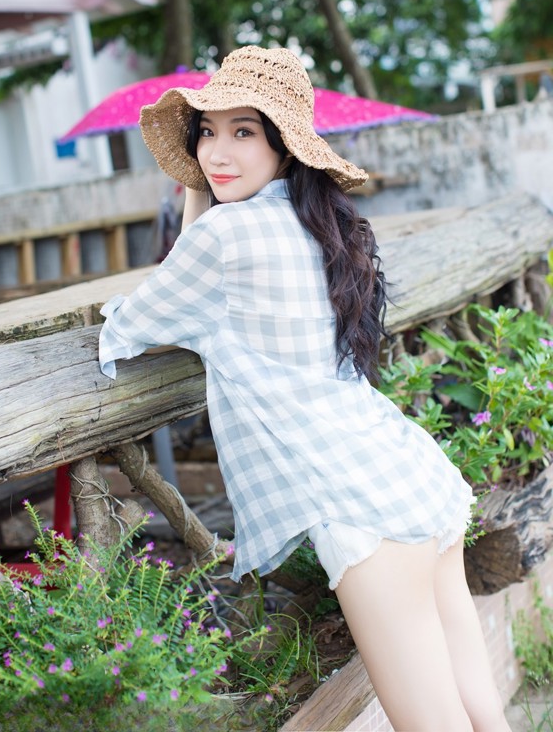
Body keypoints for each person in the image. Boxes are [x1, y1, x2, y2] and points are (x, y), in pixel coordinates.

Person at [98, 46, 510, 732]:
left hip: (360, 511)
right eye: (206, 132)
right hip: (412, 475)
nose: (217, 152)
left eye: (244, 131)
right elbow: (193, 283)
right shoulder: (319, 222)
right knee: (482, 714)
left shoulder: (227, 233)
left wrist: (196, 195)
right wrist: (202, 189)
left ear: (284, 145)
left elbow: (129, 324)